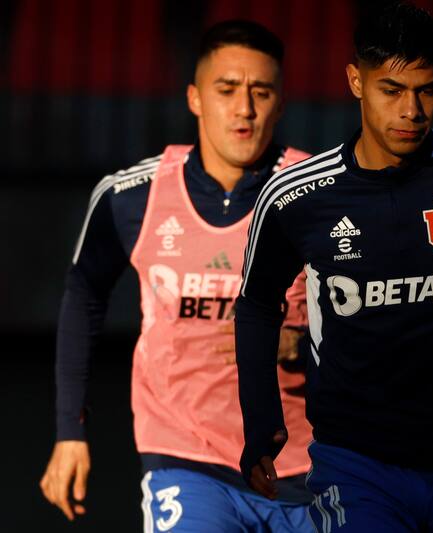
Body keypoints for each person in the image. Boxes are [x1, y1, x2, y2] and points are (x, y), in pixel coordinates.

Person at [235, 3, 433, 532]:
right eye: (392, 89)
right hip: (356, 462)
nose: (412, 110)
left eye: (427, 90)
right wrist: (262, 422)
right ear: (355, 81)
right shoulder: (297, 197)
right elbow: (256, 303)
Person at [39, 20, 316, 532]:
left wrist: (304, 343)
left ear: (280, 103)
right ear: (194, 98)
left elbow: (374, 307)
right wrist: (68, 432)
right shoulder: (134, 196)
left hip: (304, 468)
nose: (244, 109)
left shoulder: (317, 194)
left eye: (261, 91)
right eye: (227, 89)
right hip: (185, 459)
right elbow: (83, 295)